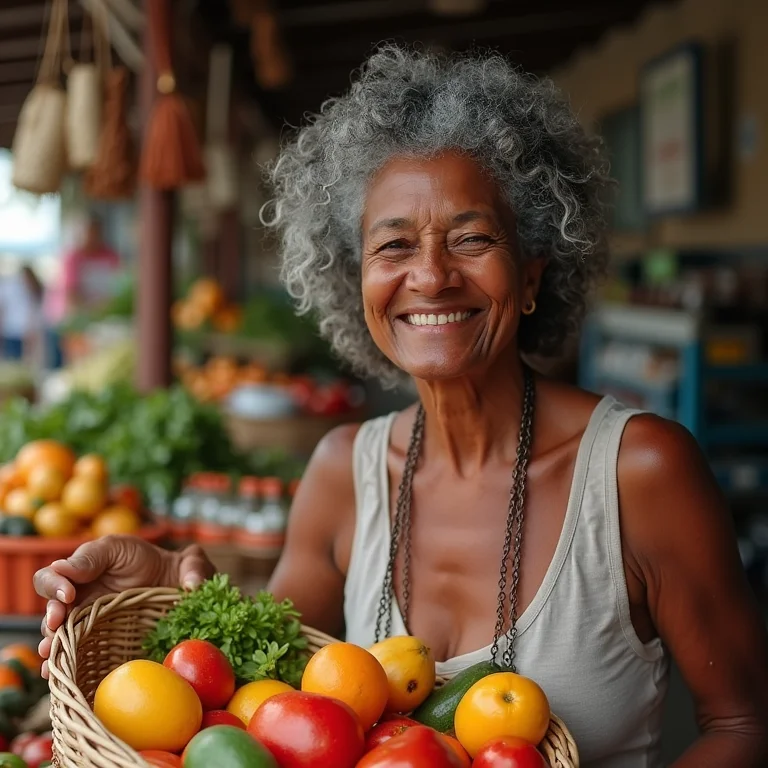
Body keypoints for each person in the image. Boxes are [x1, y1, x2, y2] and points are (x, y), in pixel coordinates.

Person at [35, 46, 768, 766]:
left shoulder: (639, 471)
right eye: (394, 247)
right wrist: (172, 586)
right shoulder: (341, 473)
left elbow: (742, 724)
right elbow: (256, 687)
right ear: (355, 280)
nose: (431, 275)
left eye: (472, 238)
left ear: (535, 273)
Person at [0, 264, 44, 361]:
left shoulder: (22, 288)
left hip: (21, 330)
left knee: (19, 359)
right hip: (13, 329)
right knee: (14, 359)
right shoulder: (12, 286)